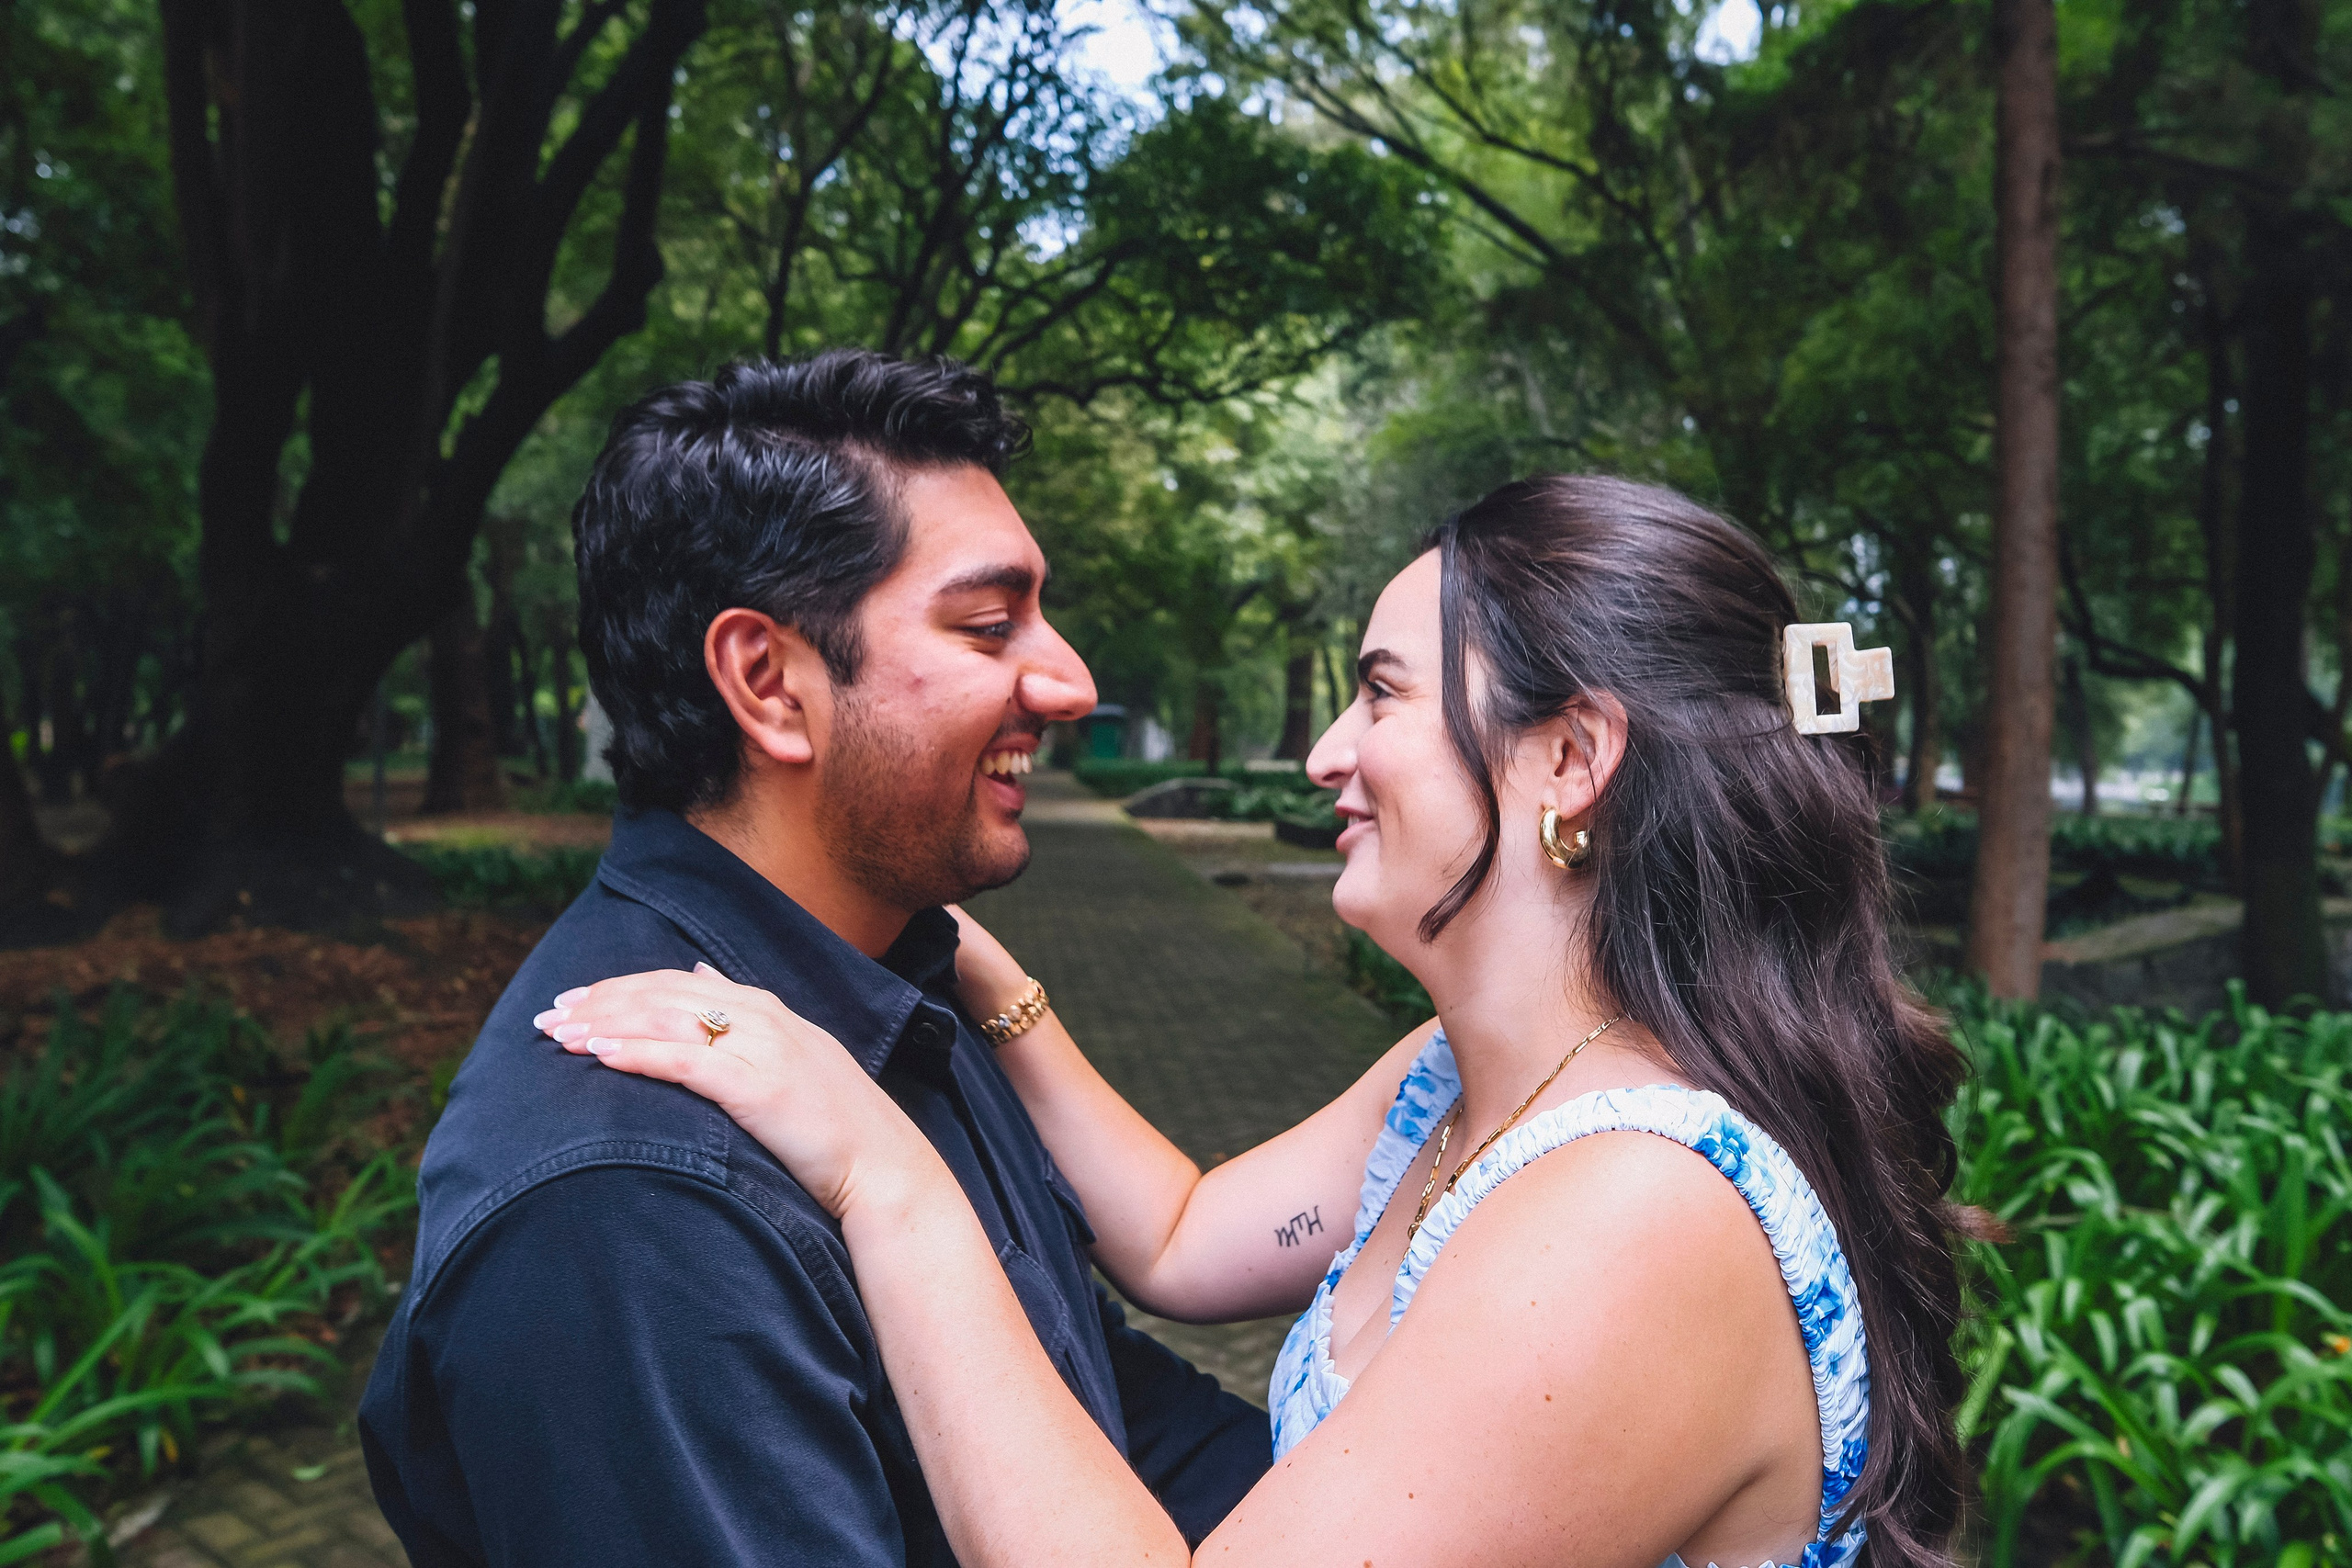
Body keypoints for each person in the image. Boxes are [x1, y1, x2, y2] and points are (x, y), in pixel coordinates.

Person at [541, 474, 1980, 1568]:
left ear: (1572, 757)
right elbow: (1178, 1234)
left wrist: (883, 1174)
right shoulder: (1463, 1081)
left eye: (1382, 694)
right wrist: (975, 976)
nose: (1327, 753)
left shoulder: (1632, 1213)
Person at [357, 351, 1273, 1566]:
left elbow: (1100, 1407)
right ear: (768, 682)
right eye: (991, 625)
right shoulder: (637, 1208)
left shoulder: (901, 982)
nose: (1069, 684)